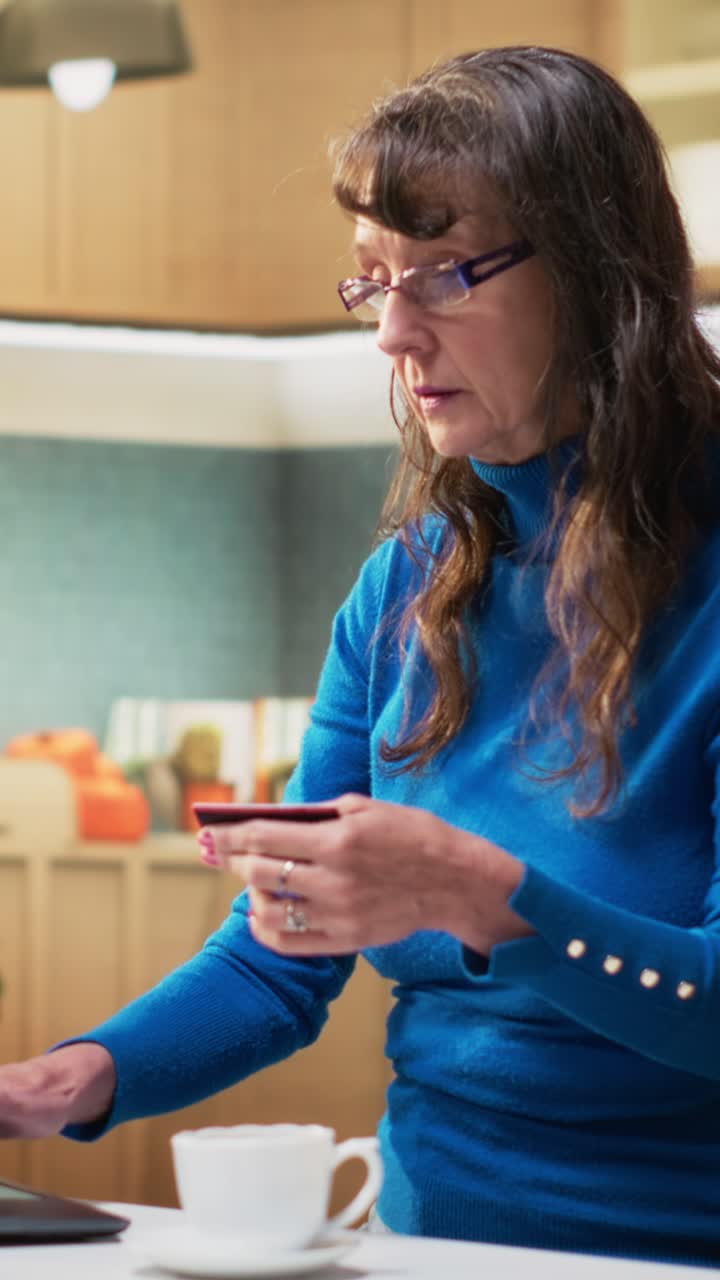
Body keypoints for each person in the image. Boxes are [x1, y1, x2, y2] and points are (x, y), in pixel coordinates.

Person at [2, 43, 720, 1266]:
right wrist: (78, 1075)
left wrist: (490, 898)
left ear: (598, 272)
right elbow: (280, 955)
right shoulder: (405, 588)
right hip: (424, 1242)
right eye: (374, 281)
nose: (392, 331)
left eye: (442, 273)